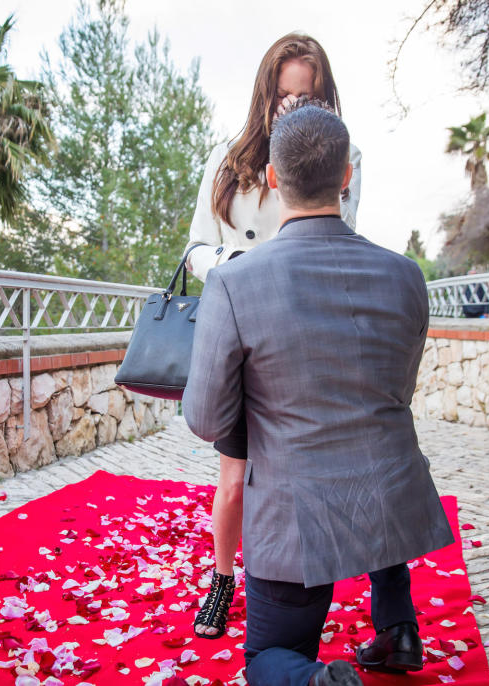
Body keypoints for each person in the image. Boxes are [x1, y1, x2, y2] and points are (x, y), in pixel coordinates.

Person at [183, 104, 454, 686]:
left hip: (294, 513)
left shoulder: (234, 281)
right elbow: (395, 391)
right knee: (378, 493)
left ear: (275, 179)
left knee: (268, 661)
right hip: (388, 494)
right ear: (346, 177)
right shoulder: (407, 275)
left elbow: (206, 418)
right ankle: (399, 630)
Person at [184, 32, 362, 640]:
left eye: (306, 98)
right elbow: (195, 248)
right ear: (265, 96)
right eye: (284, 99)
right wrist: (238, 269)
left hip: (303, 334)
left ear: (323, 98)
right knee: (233, 479)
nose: (293, 109)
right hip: (240, 325)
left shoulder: (343, 158)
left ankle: (299, 579)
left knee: (300, 470)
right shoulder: (227, 159)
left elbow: (340, 232)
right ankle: (223, 577)